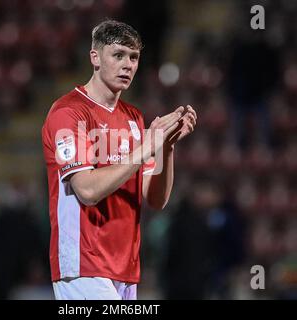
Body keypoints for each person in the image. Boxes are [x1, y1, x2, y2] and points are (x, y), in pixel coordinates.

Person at [41, 20, 197, 300]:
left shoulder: (134, 118)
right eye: (118, 55)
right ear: (95, 57)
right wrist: (144, 149)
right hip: (83, 265)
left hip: (125, 268)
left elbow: (155, 199)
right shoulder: (68, 113)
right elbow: (87, 191)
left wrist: (165, 148)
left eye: (134, 57)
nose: (128, 65)